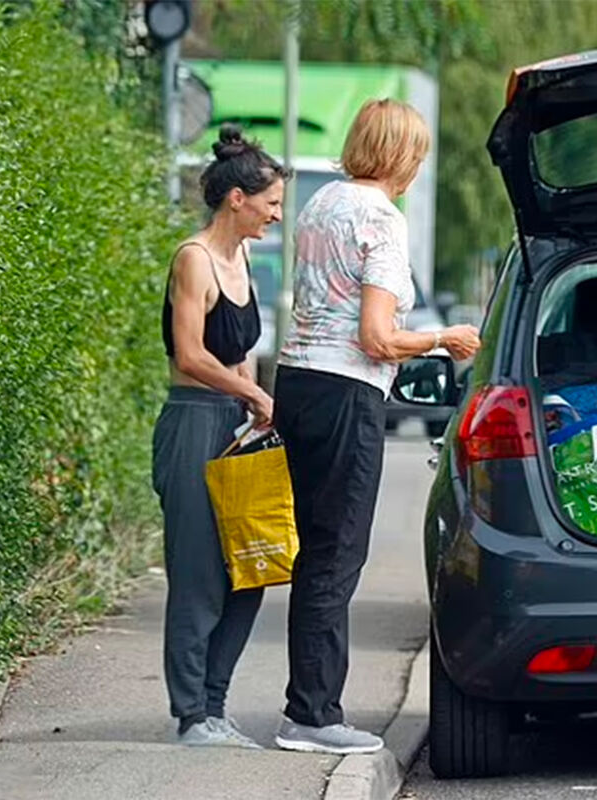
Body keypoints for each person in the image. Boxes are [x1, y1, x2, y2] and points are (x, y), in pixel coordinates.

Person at [272, 99, 481, 755]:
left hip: (297, 381)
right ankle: (311, 715)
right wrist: (444, 338)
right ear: (404, 157)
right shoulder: (381, 220)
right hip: (344, 390)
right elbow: (377, 337)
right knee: (337, 554)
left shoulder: (320, 205)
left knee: (315, 549)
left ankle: (307, 705)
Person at [152, 124, 289, 748]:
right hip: (192, 423)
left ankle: (215, 707)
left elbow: (240, 352)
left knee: (251, 567)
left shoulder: (244, 262)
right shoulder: (195, 258)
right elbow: (188, 354)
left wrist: (258, 401)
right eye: (270, 204)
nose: (275, 215)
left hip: (235, 425)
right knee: (201, 573)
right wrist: (250, 394)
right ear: (237, 199)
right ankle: (190, 714)